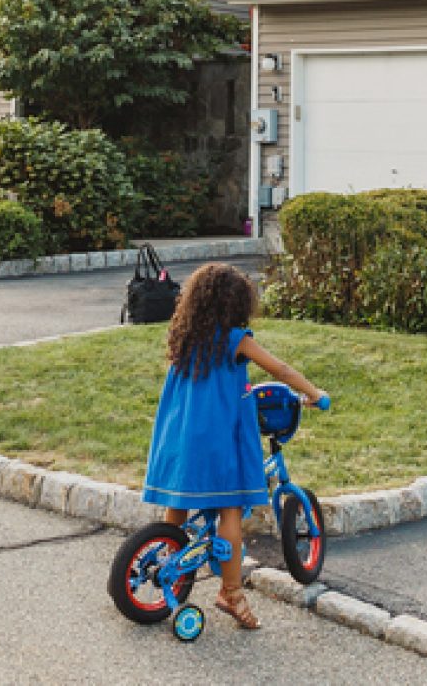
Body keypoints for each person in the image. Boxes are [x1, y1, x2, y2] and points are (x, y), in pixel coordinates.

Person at [142, 262, 327, 631]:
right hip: (216, 439)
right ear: (237, 304)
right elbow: (281, 370)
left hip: (178, 436)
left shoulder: (185, 338)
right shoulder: (236, 340)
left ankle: (168, 560)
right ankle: (231, 592)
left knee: (177, 503)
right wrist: (314, 393)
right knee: (230, 507)